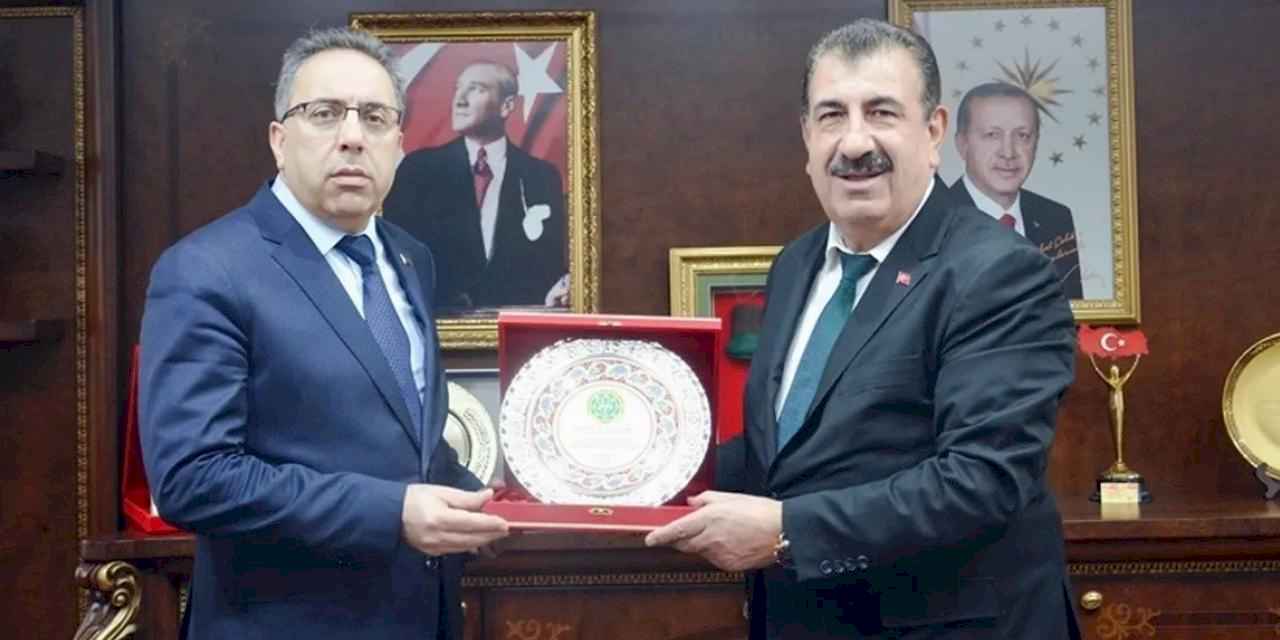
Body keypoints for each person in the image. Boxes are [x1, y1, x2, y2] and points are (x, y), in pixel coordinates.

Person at [647, 19, 1081, 639]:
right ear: (806, 136)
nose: (854, 143)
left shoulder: (1000, 272)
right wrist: (626, 477)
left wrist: (787, 532)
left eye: (881, 112)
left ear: (933, 132)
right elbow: (784, 454)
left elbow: (982, 480)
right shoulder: (797, 264)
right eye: (832, 116)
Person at [139, 28, 509, 640]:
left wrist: (482, 500)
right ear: (279, 140)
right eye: (325, 113)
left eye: (375, 117)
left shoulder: (410, 258)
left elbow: (402, 441)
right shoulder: (206, 270)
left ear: (400, 144)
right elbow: (193, 478)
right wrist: (392, 513)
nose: (353, 136)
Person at [383, 60, 567, 312]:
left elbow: (552, 266)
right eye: (458, 88)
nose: (459, 100)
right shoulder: (418, 170)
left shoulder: (541, 177)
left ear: (506, 106)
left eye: (476, 88)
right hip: (437, 326)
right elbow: (394, 260)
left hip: (517, 324)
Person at [950, 82, 1083, 298]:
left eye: (1022, 136)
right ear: (962, 144)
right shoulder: (934, 221)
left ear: (1036, 143)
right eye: (992, 135)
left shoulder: (1056, 218)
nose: (1008, 152)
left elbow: (1072, 311)